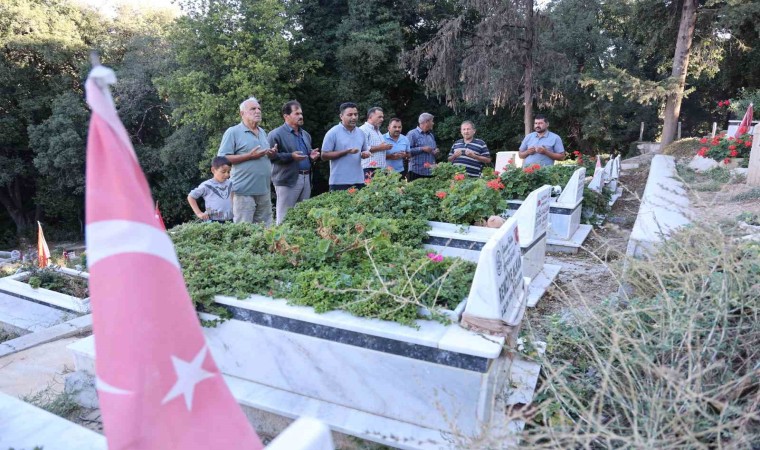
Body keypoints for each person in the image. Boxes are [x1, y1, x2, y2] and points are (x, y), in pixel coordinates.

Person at [218, 97, 277, 225]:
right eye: (253, 109)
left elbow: (262, 156)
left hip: (264, 191)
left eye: (259, 109)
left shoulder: (262, 132)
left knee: (267, 231)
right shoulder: (233, 132)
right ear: (242, 113)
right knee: (245, 231)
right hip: (243, 192)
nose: (258, 111)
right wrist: (249, 156)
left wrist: (271, 154)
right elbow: (222, 159)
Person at [268, 100, 321, 224]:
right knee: (284, 217)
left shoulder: (305, 135)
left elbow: (307, 154)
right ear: (286, 116)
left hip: (306, 177)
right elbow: (270, 157)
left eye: (301, 113)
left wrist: (311, 156)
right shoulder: (275, 134)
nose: (301, 116)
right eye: (296, 114)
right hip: (287, 180)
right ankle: (281, 242)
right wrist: (291, 156)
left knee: (302, 215)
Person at [321, 102, 371, 191]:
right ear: (341, 116)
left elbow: (364, 151)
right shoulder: (333, 133)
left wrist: (365, 154)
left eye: (356, 114)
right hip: (339, 182)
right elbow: (324, 156)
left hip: (358, 180)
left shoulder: (361, 133)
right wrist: (346, 151)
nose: (354, 117)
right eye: (350, 115)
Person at [187, 156, 234, 222]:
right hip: (212, 220)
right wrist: (199, 213)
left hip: (230, 220)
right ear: (213, 170)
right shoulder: (207, 185)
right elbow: (191, 196)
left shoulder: (230, 183)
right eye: (223, 172)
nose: (227, 175)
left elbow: (232, 196)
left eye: (229, 172)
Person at [359, 107, 392, 178]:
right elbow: (362, 149)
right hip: (369, 168)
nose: (382, 119)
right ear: (370, 117)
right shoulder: (363, 129)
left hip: (381, 168)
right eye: (379, 117)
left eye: (382, 117)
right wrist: (381, 147)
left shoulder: (377, 131)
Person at [406, 112, 439, 180]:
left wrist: (436, 151)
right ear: (427, 122)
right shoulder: (412, 134)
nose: (433, 123)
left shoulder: (431, 135)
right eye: (432, 121)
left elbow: (433, 151)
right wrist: (422, 149)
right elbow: (406, 151)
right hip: (416, 172)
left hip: (430, 172)